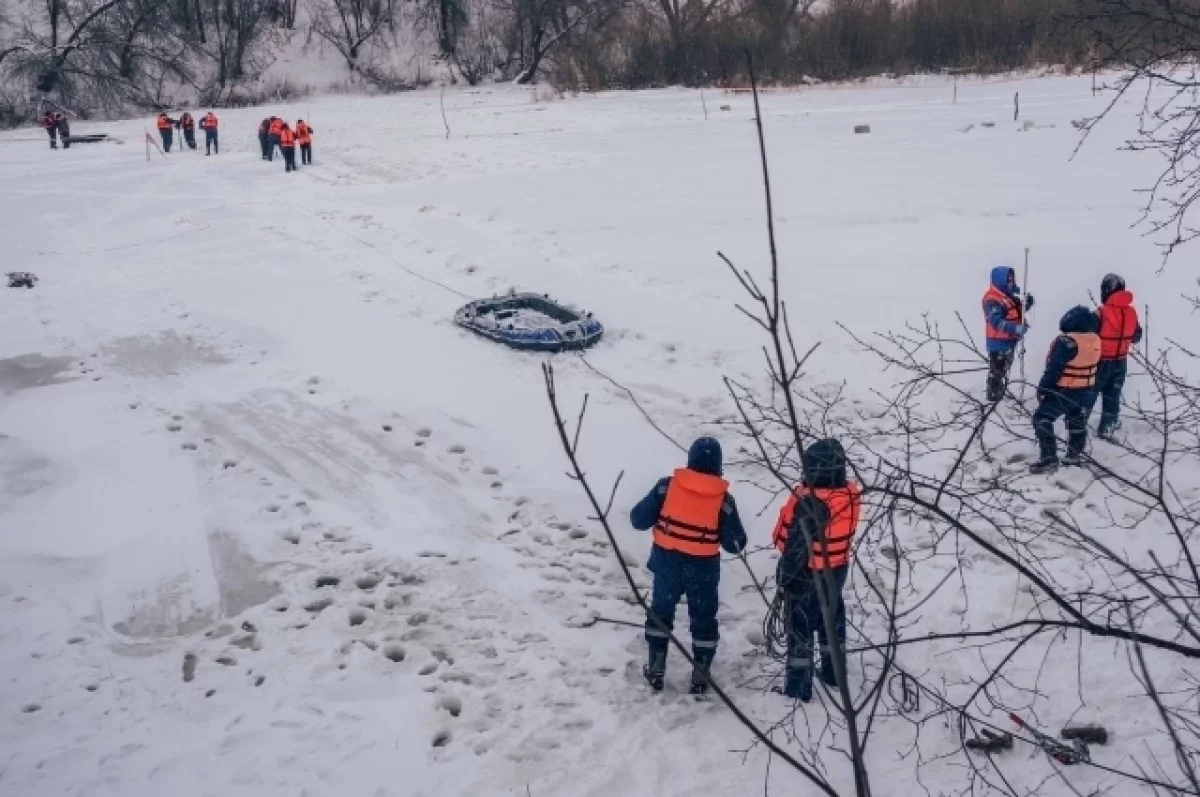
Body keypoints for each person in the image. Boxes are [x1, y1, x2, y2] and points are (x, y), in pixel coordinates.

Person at [629, 437, 747, 695]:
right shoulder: (724, 501)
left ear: (690, 460)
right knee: (704, 618)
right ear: (719, 466)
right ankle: (701, 672)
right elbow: (735, 544)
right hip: (703, 570)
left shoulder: (666, 488)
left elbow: (637, 519)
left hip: (667, 564)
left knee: (661, 613)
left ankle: (657, 665)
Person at [771, 439, 861, 701]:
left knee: (800, 630)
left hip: (806, 576)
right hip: (837, 570)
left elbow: (796, 548)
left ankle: (798, 690)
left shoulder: (811, 504)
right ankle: (835, 674)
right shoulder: (848, 495)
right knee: (831, 622)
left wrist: (783, 578)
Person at [1031, 306, 1101, 473]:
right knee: (1076, 420)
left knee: (1041, 418)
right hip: (1085, 390)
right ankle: (1074, 454)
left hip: (1064, 390)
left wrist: (1043, 389)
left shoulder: (1066, 342)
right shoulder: (1096, 340)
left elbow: (1054, 369)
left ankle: (1049, 457)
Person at [1091, 274, 1142, 440]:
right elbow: (1137, 336)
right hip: (1121, 361)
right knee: (1113, 395)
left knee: (1089, 394)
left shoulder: (1100, 313)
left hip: (1100, 362)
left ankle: (1078, 424)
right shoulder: (1132, 312)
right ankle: (1107, 427)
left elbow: (1089, 335)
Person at [982, 265, 1034, 402]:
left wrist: (1026, 304)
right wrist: (1015, 329)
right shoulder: (992, 299)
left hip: (1010, 341)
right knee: (997, 370)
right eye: (1008, 279)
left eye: (1012, 279)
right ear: (1000, 280)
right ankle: (993, 396)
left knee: (1004, 368)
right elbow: (996, 321)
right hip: (998, 342)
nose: (1011, 282)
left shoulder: (1006, 295)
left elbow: (1016, 310)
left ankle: (1000, 391)